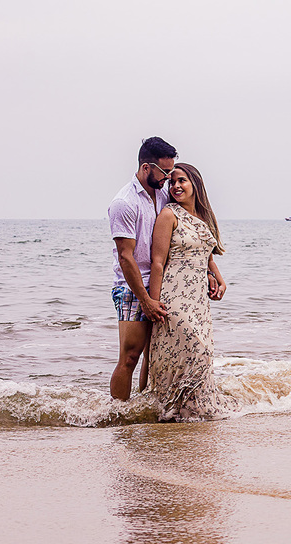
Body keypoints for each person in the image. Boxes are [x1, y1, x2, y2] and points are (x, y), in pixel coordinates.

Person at [146, 163, 233, 421]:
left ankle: (189, 414)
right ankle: (168, 408)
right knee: (197, 348)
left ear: (195, 183)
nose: (176, 186)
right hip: (174, 295)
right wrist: (152, 301)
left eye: (181, 180)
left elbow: (206, 254)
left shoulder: (203, 217)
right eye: (172, 182)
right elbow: (158, 262)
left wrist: (217, 277)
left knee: (201, 354)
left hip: (198, 299)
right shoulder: (169, 215)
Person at [107, 136, 176, 400]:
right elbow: (126, 257)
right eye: (165, 171)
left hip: (159, 281)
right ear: (146, 167)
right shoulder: (124, 203)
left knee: (154, 353)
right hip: (131, 287)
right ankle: (118, 415)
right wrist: (145, 299)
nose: (168, 177)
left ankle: (145, 409)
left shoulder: (162, 194)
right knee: (130, 357)